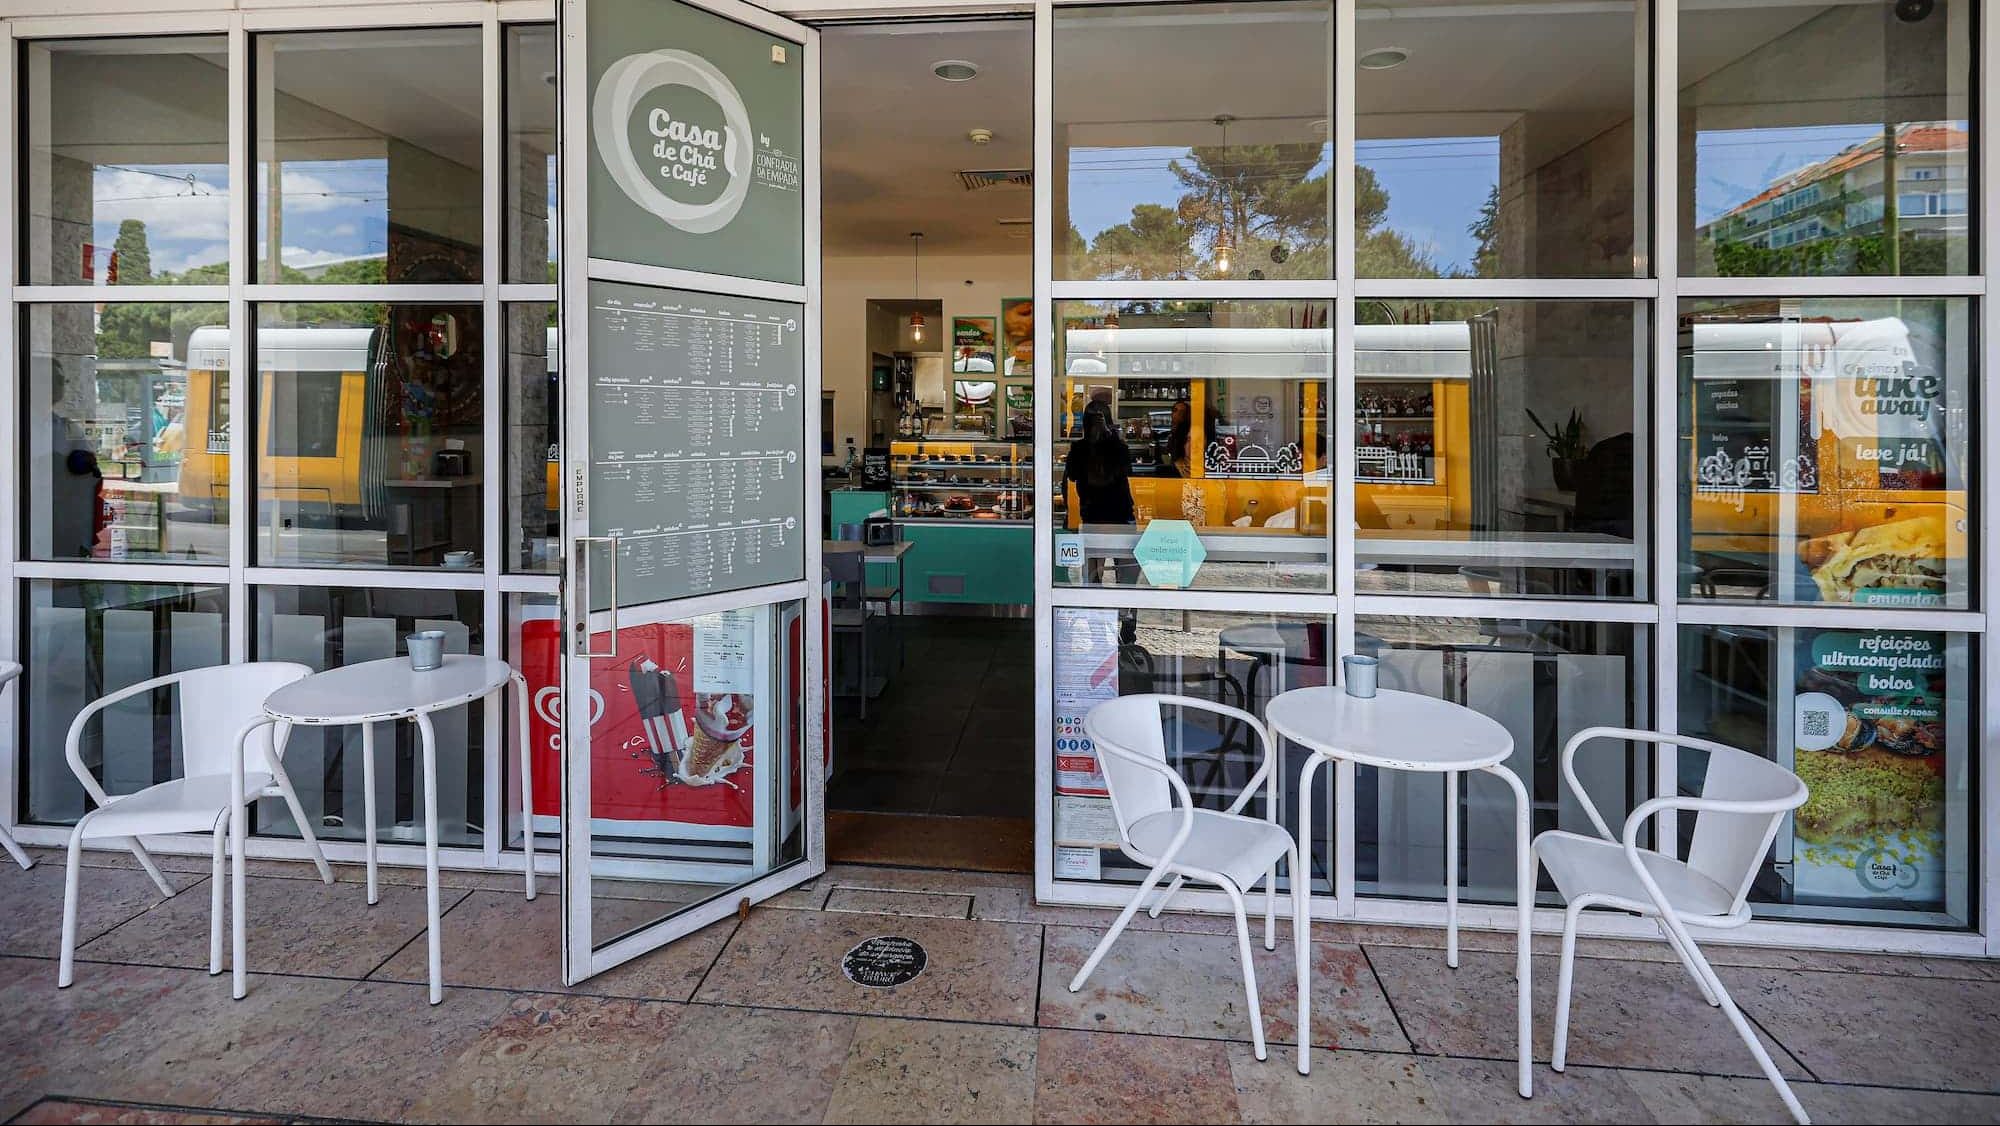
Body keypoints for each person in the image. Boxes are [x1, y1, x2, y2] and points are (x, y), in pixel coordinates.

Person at [1064, 398, 1135, 525]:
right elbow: (1072, 474)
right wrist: (1092, 443)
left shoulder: (1116, 446)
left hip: (1116, 508)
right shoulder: (1079, 448)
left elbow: (1126, 470)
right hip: (1093, 508)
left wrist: (1108, 434)